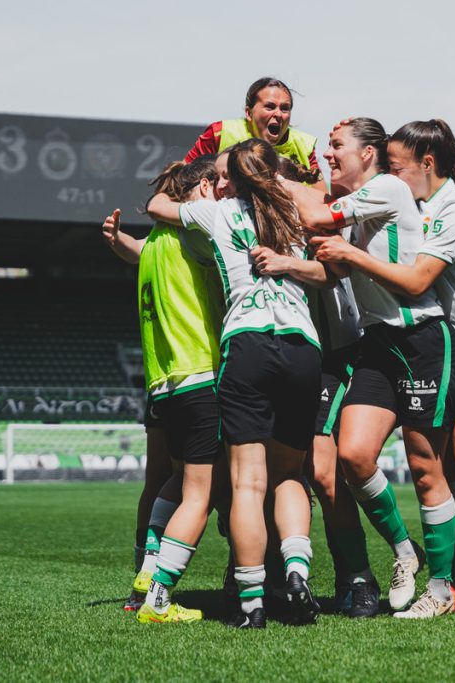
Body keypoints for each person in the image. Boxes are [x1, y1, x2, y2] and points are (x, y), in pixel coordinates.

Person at [284, 118, 455, 619]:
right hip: (377, 343)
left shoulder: (384, 186)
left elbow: (322, 222)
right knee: (355, 456)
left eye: (338, 146)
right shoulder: (364, 209)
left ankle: (443, 589)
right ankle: (406, 551)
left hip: (424, 339)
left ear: (369, 154)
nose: (329, 155)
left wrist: (270, 176)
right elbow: (331, 260)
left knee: (428, 470)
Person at [147, 138, 326, 629]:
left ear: (237, 180)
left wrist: (197, 197)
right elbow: (328, 268)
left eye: (226, 174)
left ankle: (251, 602)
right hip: (302, 346)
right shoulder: (296, 211)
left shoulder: (218, 215)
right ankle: (296, 570)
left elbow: (157, 205)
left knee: (248, 482)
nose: (220, 181)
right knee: (291, 475)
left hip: (246, 344)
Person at [101, 156, 226, 621]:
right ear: (199, 188)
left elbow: (138, 252)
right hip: (200, 373)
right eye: (216, 184)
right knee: (205, 490)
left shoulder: (155, 242)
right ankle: (159, 588)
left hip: (162, 384)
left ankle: (147, 565)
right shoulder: (194, 232)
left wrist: (119, 242)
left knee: (172, 480)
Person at [258, 157, 366, 612]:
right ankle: (268, 577)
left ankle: (357, 577)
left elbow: (332, 273)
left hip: (330, 354)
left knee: (323, 470)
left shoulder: (320, 213)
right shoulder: (243, 217)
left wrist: (283, 264)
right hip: (269, 356)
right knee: (265, 474)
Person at [185, 77, 324, 190]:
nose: (278, 114)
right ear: (249, 113)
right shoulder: (220, 133)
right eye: (270, 106)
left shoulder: (304, 145)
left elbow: (323, 200)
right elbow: (182, 179)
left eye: (285, 108)